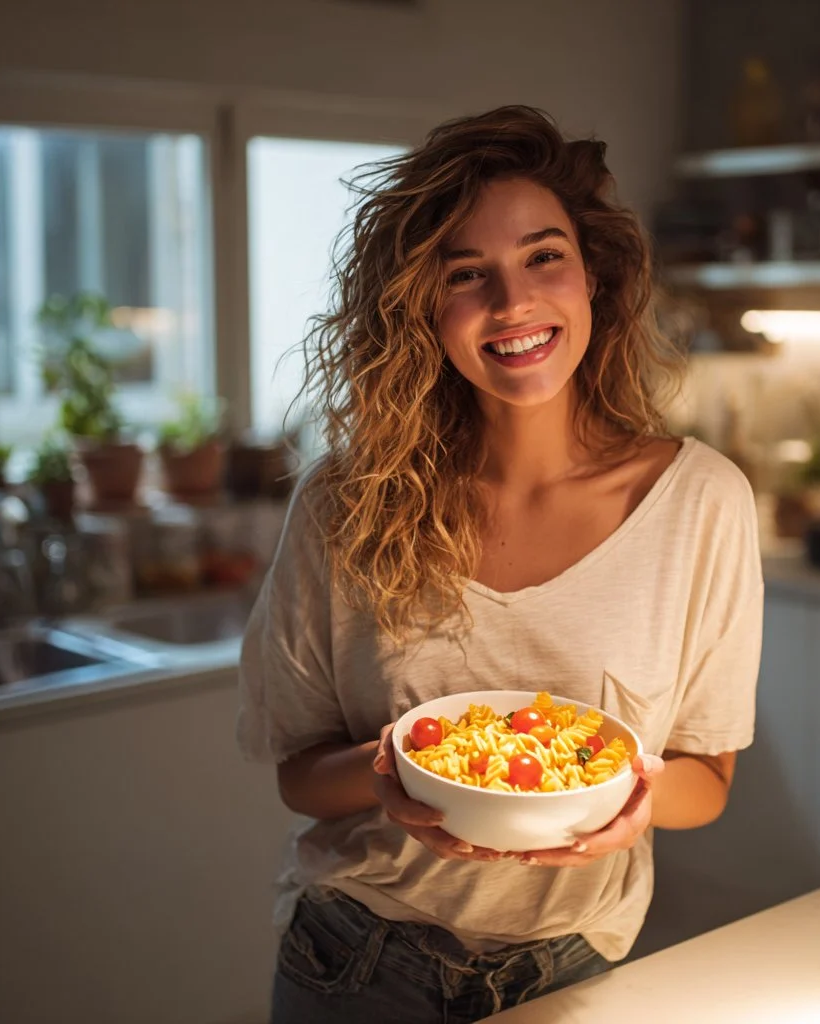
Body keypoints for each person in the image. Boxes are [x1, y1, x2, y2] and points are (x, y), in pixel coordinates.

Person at [237, 105, 764, 1024]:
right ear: (423, 310)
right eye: (466, 274)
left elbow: (705, 782)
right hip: (357, 960)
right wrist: (389, 775)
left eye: (542, 256)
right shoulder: (344, 501)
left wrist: (635, 806)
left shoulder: (702, 502)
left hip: (579, 968)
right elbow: (298, 769)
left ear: (593, 273)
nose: (513, 303)